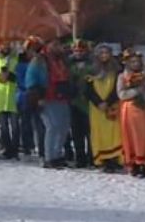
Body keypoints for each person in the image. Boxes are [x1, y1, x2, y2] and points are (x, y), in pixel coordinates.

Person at [28, 39, 72, 169]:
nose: (58, 47)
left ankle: (57, 154)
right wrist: (37, 96)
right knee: (52, 126)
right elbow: (31, 78)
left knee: (64, 127)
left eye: (59, 44)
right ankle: (49, 157)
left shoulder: (63, 60)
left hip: (62, 97)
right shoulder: (39, 60)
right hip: (47, 97)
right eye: (55, 44)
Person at [118, 49, 145, 178]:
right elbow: (121, 94)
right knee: (131, 137)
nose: (135, 64)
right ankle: (133, 163)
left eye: (137, 61)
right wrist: (137, 91)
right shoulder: (122, 76)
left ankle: (144, 164)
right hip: (129, 111)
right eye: (132, 61)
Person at [86, 45, 122, 173]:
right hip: (97, 109)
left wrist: (108, 102)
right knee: (99, 133)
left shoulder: (117, 70)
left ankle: (114, 159)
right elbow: (88, 90)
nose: (104, 55)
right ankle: (102, 160)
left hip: (112, 105)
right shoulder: (91, 70)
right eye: (101, 53)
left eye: (106, 53)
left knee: (114, 133)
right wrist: (99, 103)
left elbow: (117, 88)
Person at [68, 40, 93, 168]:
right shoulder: (69, 63)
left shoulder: (91, 63)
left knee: (89, 132)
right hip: (74, 101)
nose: (78, 53)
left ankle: (91, 157)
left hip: (88, 102)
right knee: (76, 132)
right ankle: (80, 158)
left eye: (81, 50)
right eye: (76, 50)